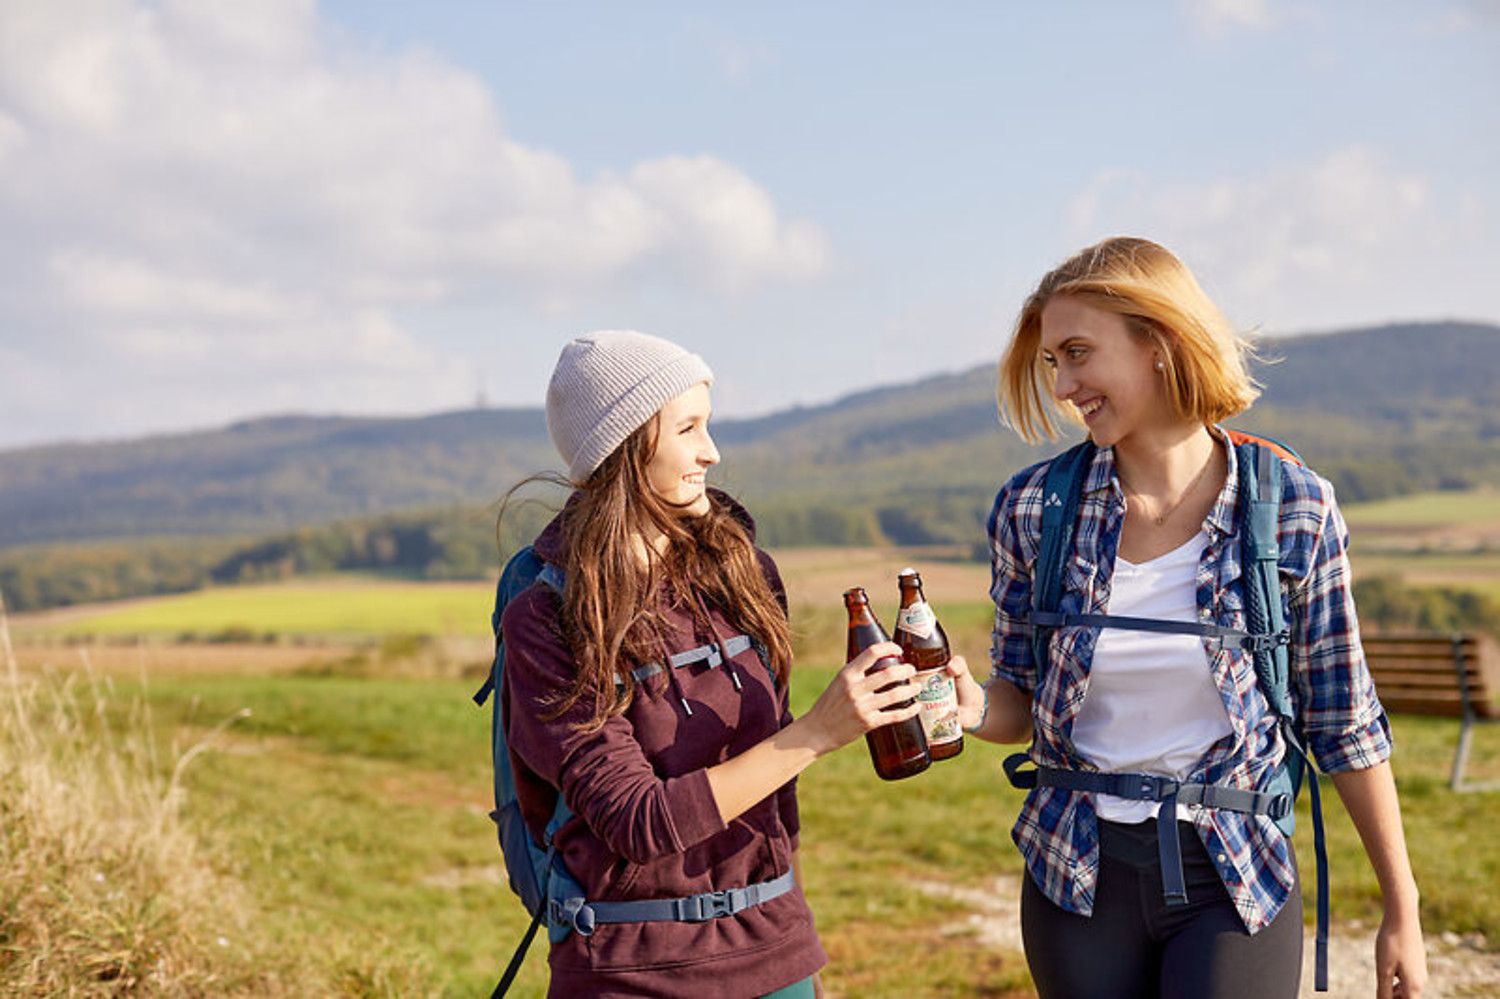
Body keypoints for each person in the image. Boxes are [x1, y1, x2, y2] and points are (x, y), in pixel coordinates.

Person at [947, 237, 1428, 999]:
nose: (1065, 385)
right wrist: (972, 703)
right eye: (1052, 363)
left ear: (1159, 344)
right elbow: (1018, 699)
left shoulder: (1292, 504)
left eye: (1078, 353)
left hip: (1234, 874)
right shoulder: (1035, 509)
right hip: (1076, 872)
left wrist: (1401, 904)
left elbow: (1345, 719)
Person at [500, 330, 926, 998]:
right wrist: (817, 731)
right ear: (623, 447)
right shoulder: (547, 619)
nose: (711, 451)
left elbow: (770, 784)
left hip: (777, 948)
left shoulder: (744, 572)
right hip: (633, 971)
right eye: (689, 427)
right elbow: (638, 821)